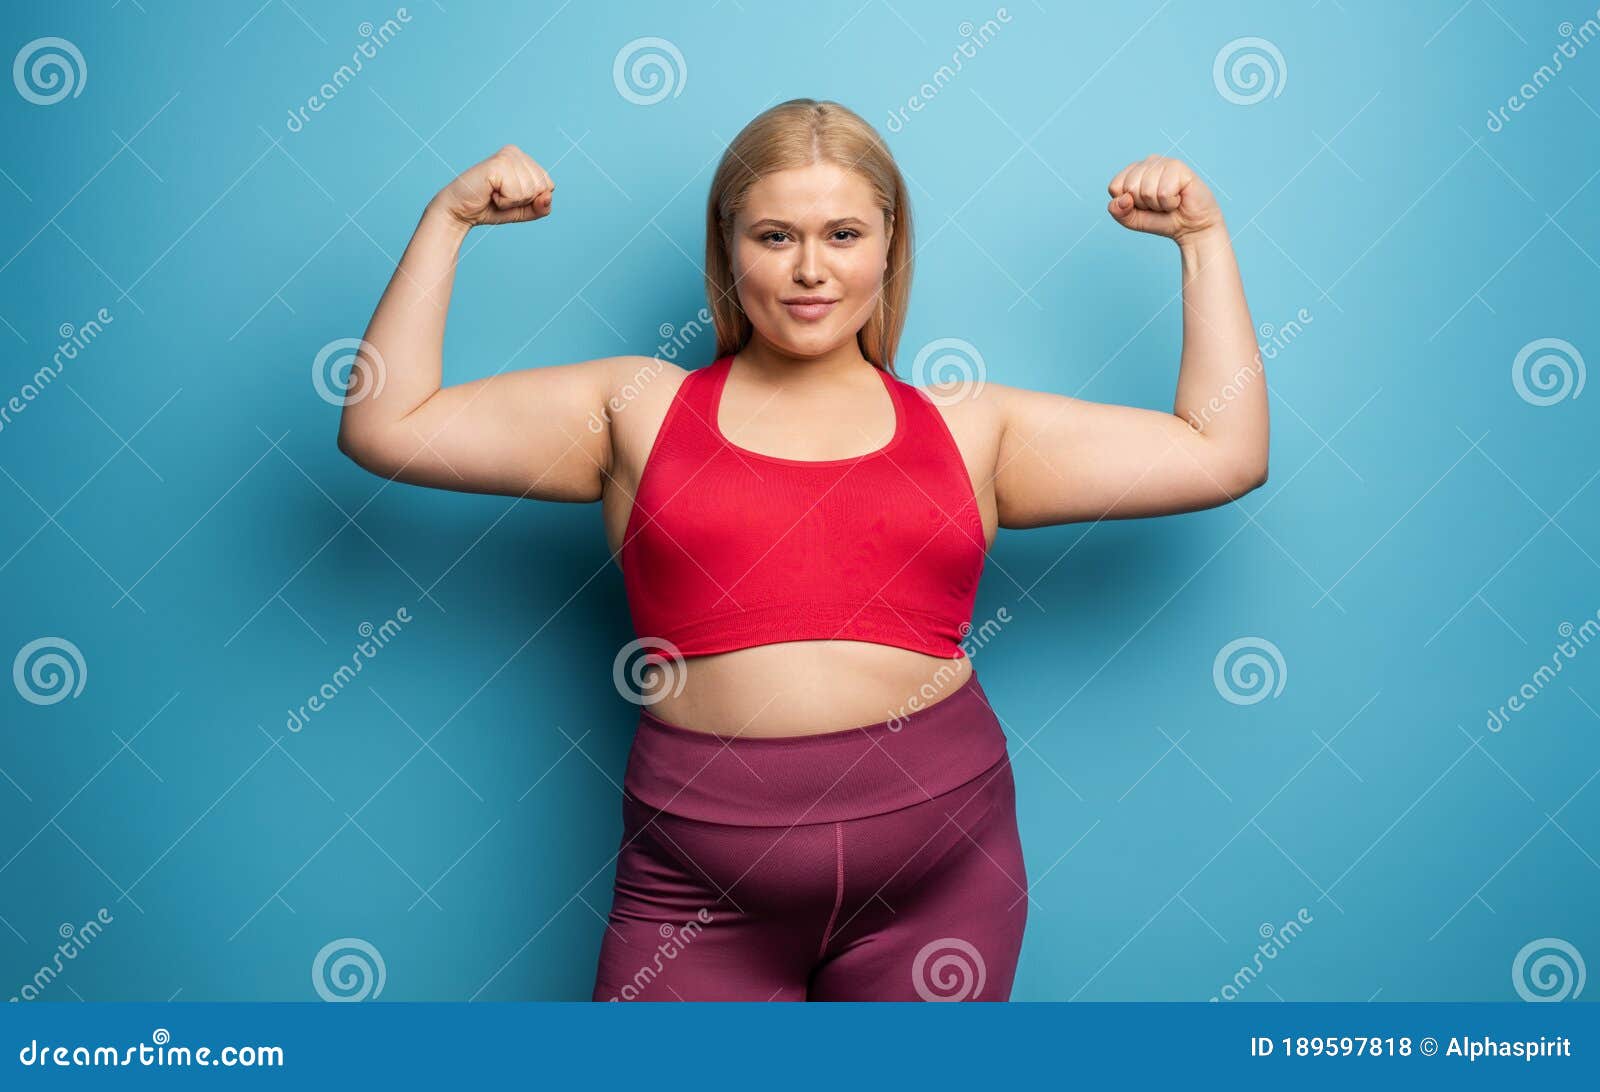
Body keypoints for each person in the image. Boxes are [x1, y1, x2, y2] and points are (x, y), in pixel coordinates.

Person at [336, 98, 1268, 1001]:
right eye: (775, 235)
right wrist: (447, 221)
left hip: (940, 884)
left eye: (844, 235)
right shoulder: (636, 408)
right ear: (727, 247)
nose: (810, 269)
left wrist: (1203, 242)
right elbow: (385, 422)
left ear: (891, 245)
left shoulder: (972, 427)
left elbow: (1221, 451)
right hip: (696, 899)